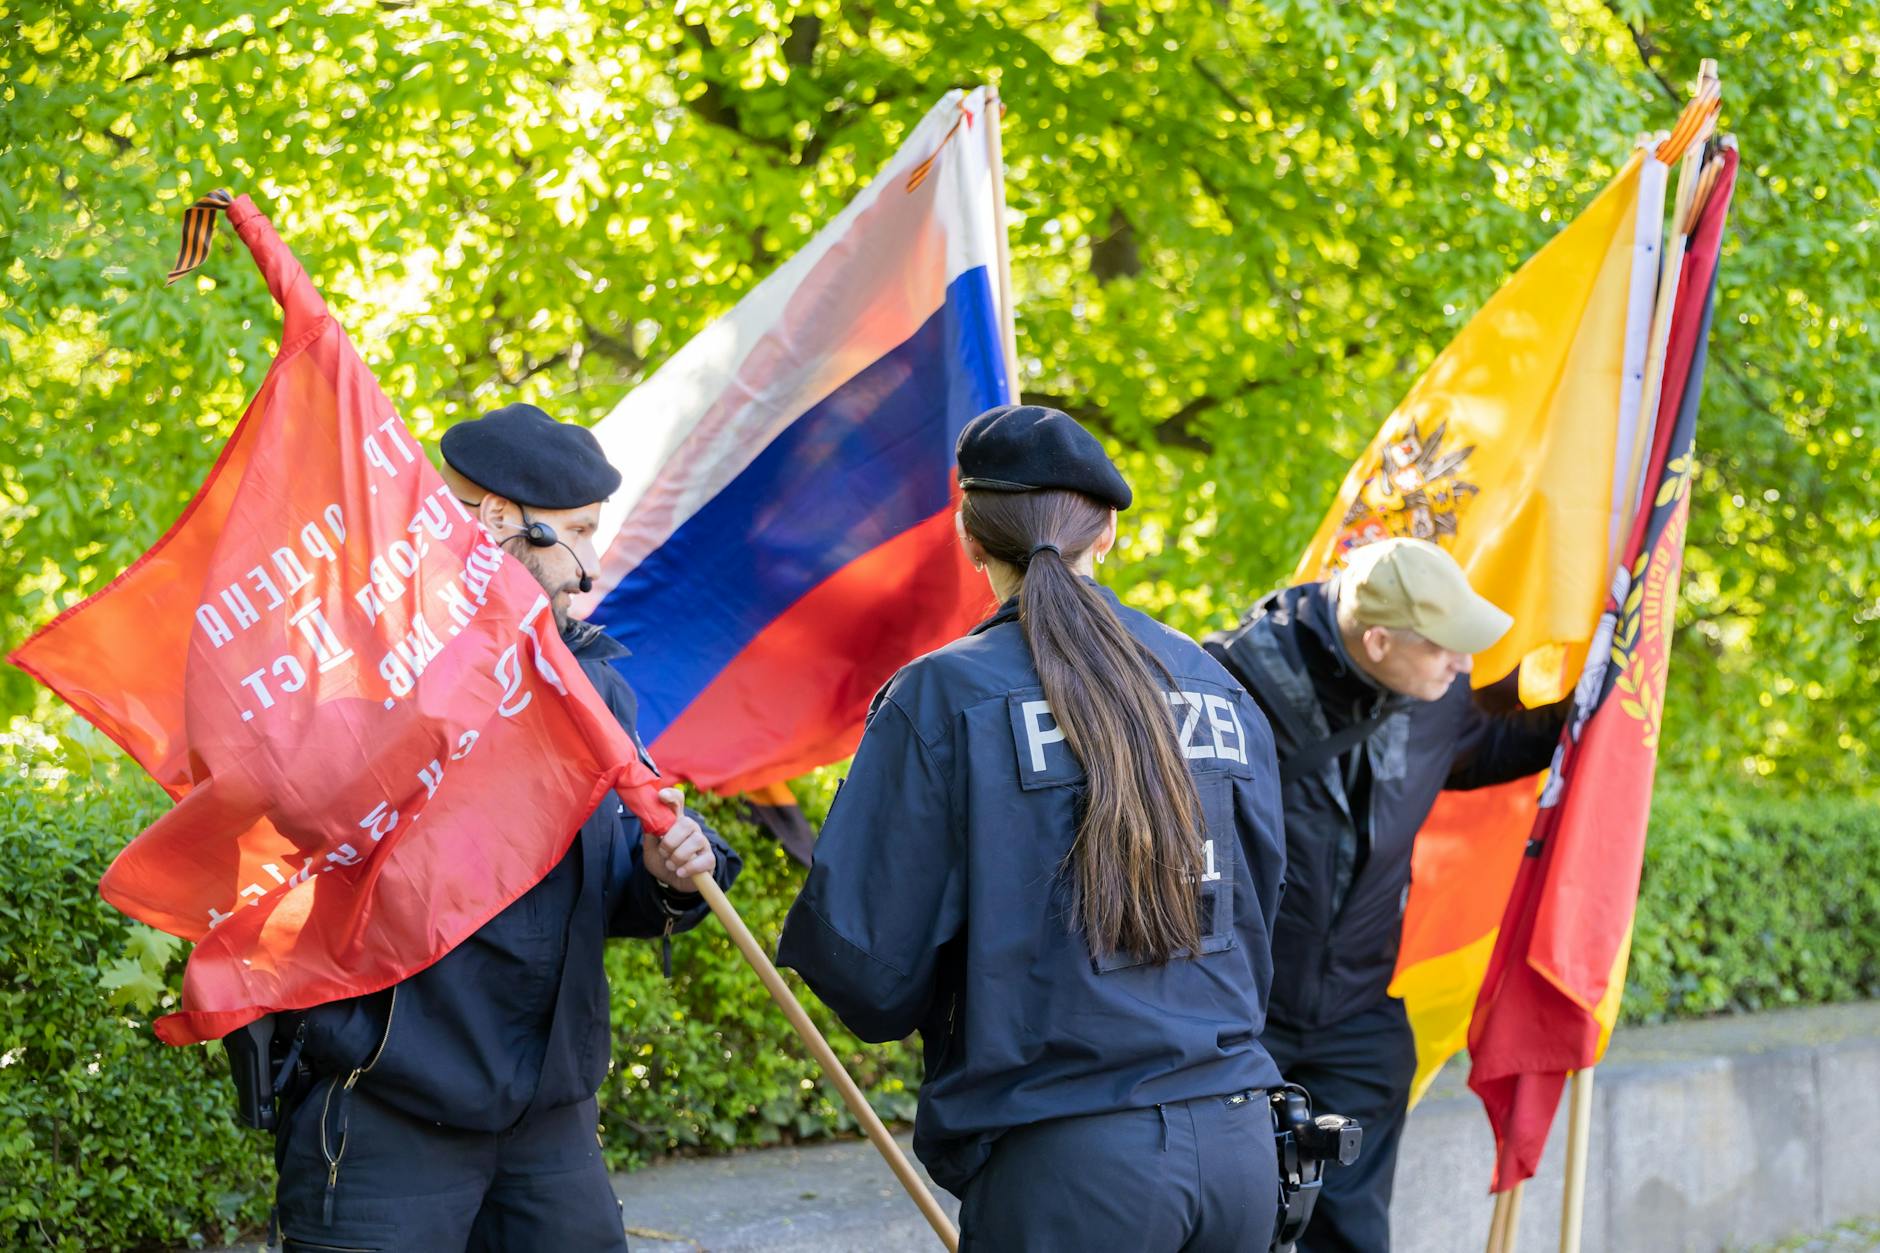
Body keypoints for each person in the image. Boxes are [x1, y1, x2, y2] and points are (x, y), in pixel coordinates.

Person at [779, 405, 1289, 1252]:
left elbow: (868, 973)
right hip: (1239, 1151)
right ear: (1109, 531)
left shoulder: (944, 698)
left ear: (971, 538)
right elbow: (1265, 911)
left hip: (1071, 1164)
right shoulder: (1215, 683)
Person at [270, 402, 743, 1252]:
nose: (591, 568)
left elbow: (598, 882)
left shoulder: (587, 683)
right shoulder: (360, 666)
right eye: (578, 533)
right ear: (496, 519)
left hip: (547, 1121)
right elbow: (300, 839)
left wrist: (664, 872)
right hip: (387, 1110)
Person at [1205, 537, 1567, 1253]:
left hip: (1359, 1017)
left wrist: (1598, 708)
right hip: (1238, 1017)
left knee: (1352, 1233)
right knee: (1228, 1225)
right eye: (1443, 648)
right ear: (1377, 640)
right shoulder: (1229, 683)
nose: (1462, 663)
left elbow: (1478, 751)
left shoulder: (1433, 689)